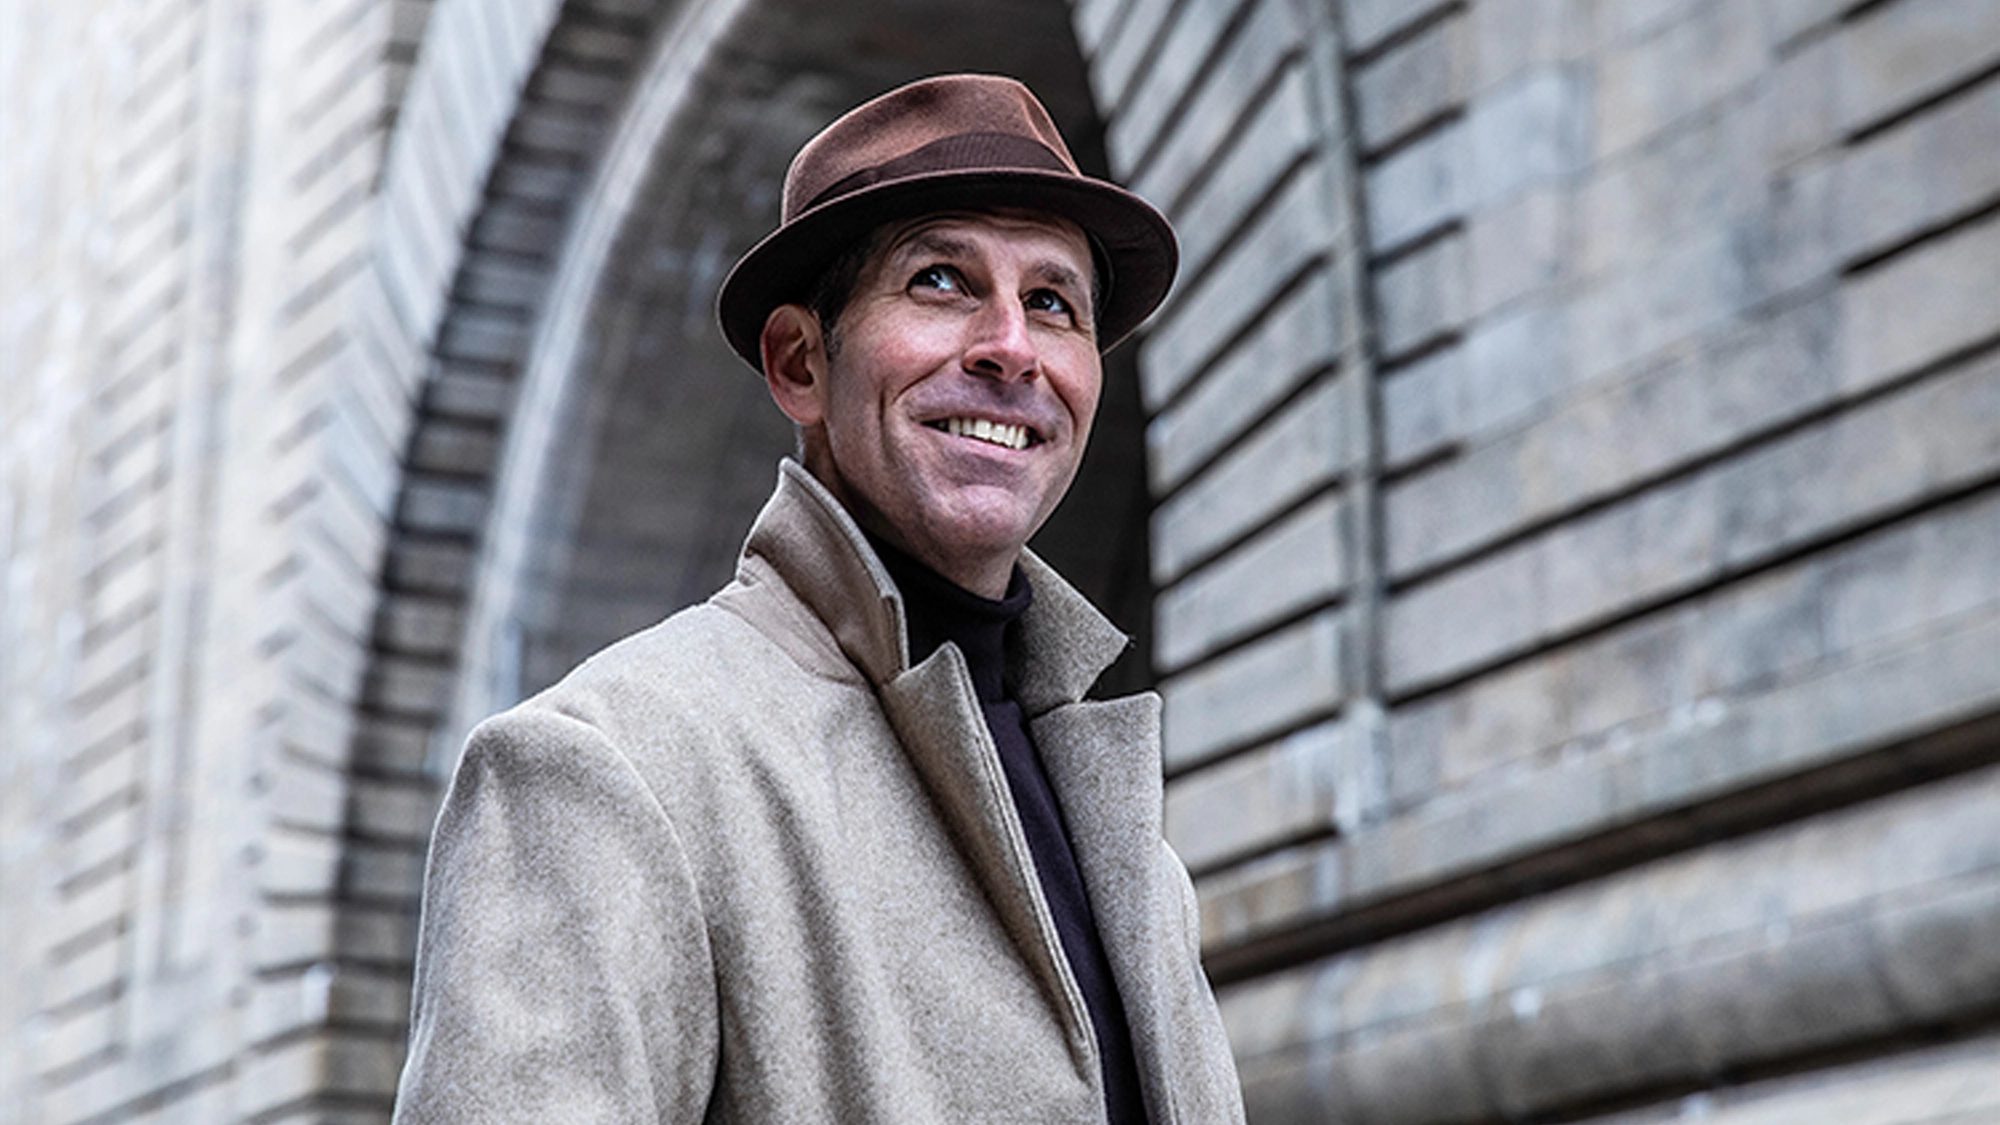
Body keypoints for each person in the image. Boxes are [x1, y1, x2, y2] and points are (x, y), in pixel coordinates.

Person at [391, 73, 1245, 1124]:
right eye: (939, 280)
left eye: (1051, 302)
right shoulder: (608, 768)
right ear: (799, 363)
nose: (1010, 346)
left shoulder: (1127, 849)